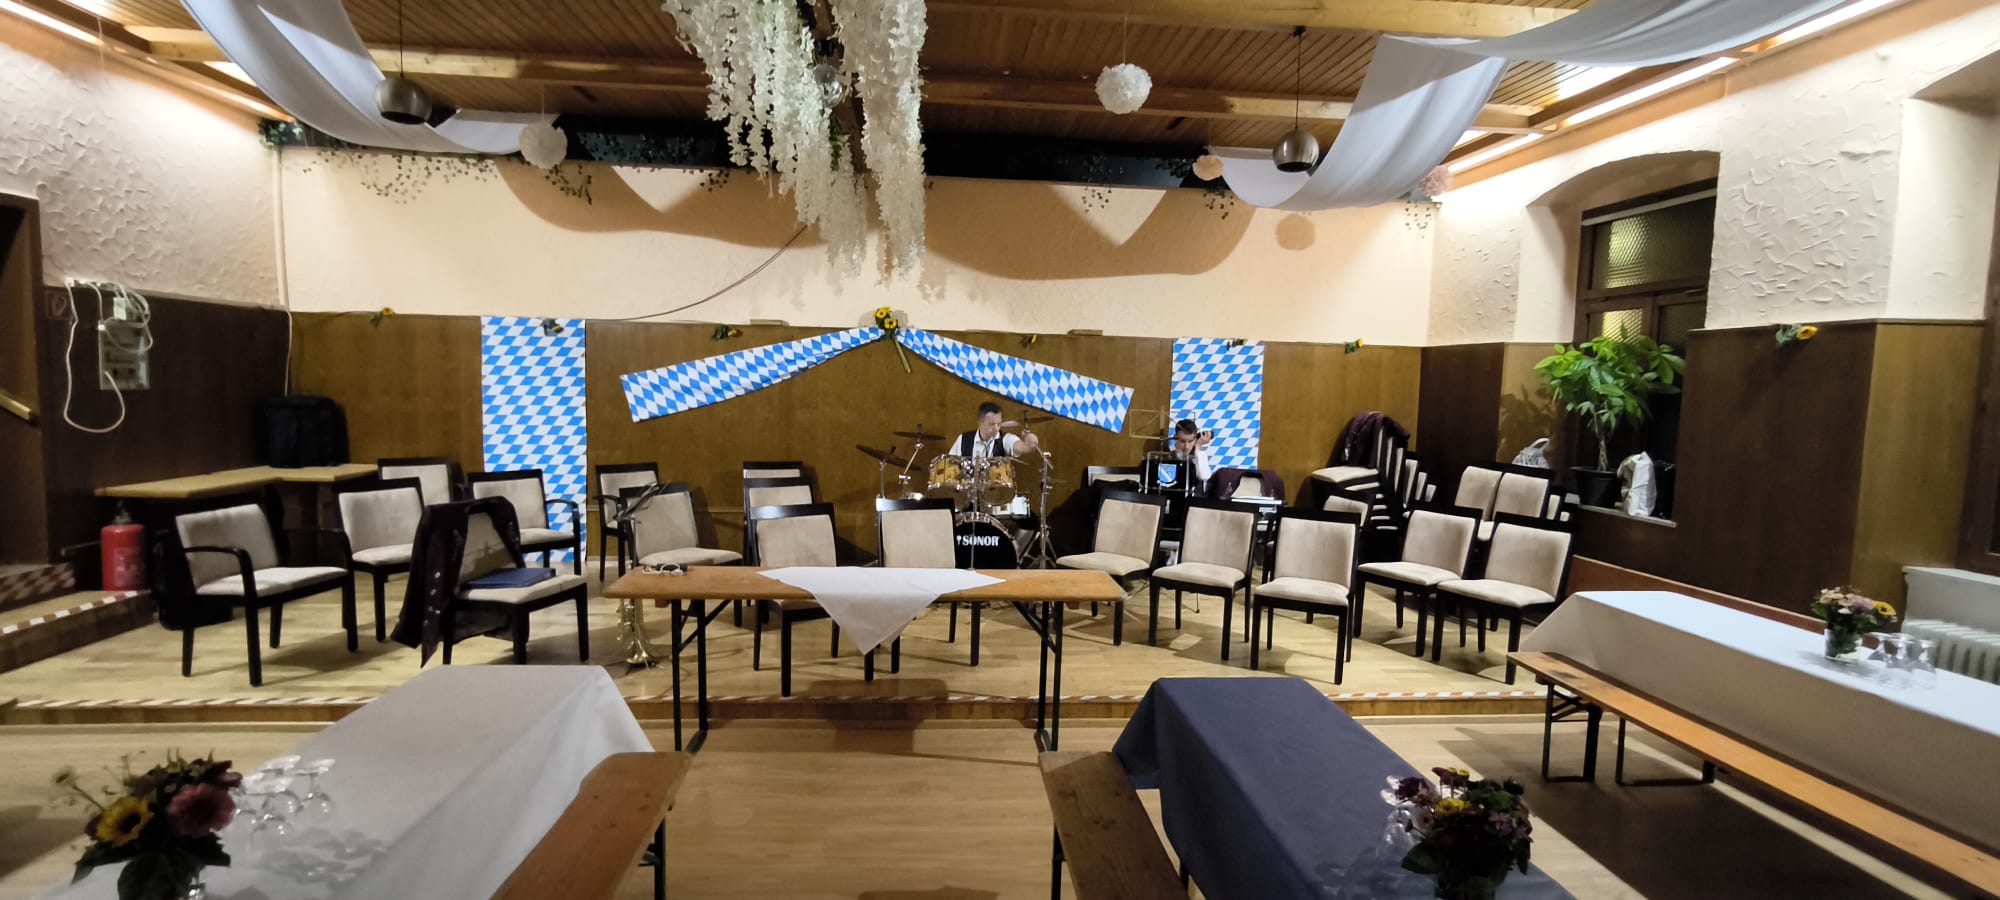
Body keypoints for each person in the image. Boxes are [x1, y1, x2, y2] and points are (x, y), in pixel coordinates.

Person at [953, 401, 1042, 458]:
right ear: (980, 423)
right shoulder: (963, 439)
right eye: (992, 424)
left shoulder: (1004, 439)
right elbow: (950, 465)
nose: (996, 428)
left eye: (999, 424)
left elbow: (1020, 447)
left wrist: (1029, 444)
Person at [1173, 418, 1218, 488]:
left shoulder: (1197, 454)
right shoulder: (1166, 452)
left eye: (1190, 441)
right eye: (1183, 441)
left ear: (1195, 439)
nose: (1187, 446)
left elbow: (1205, 476)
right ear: (1175, 437)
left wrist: (1198, 446)